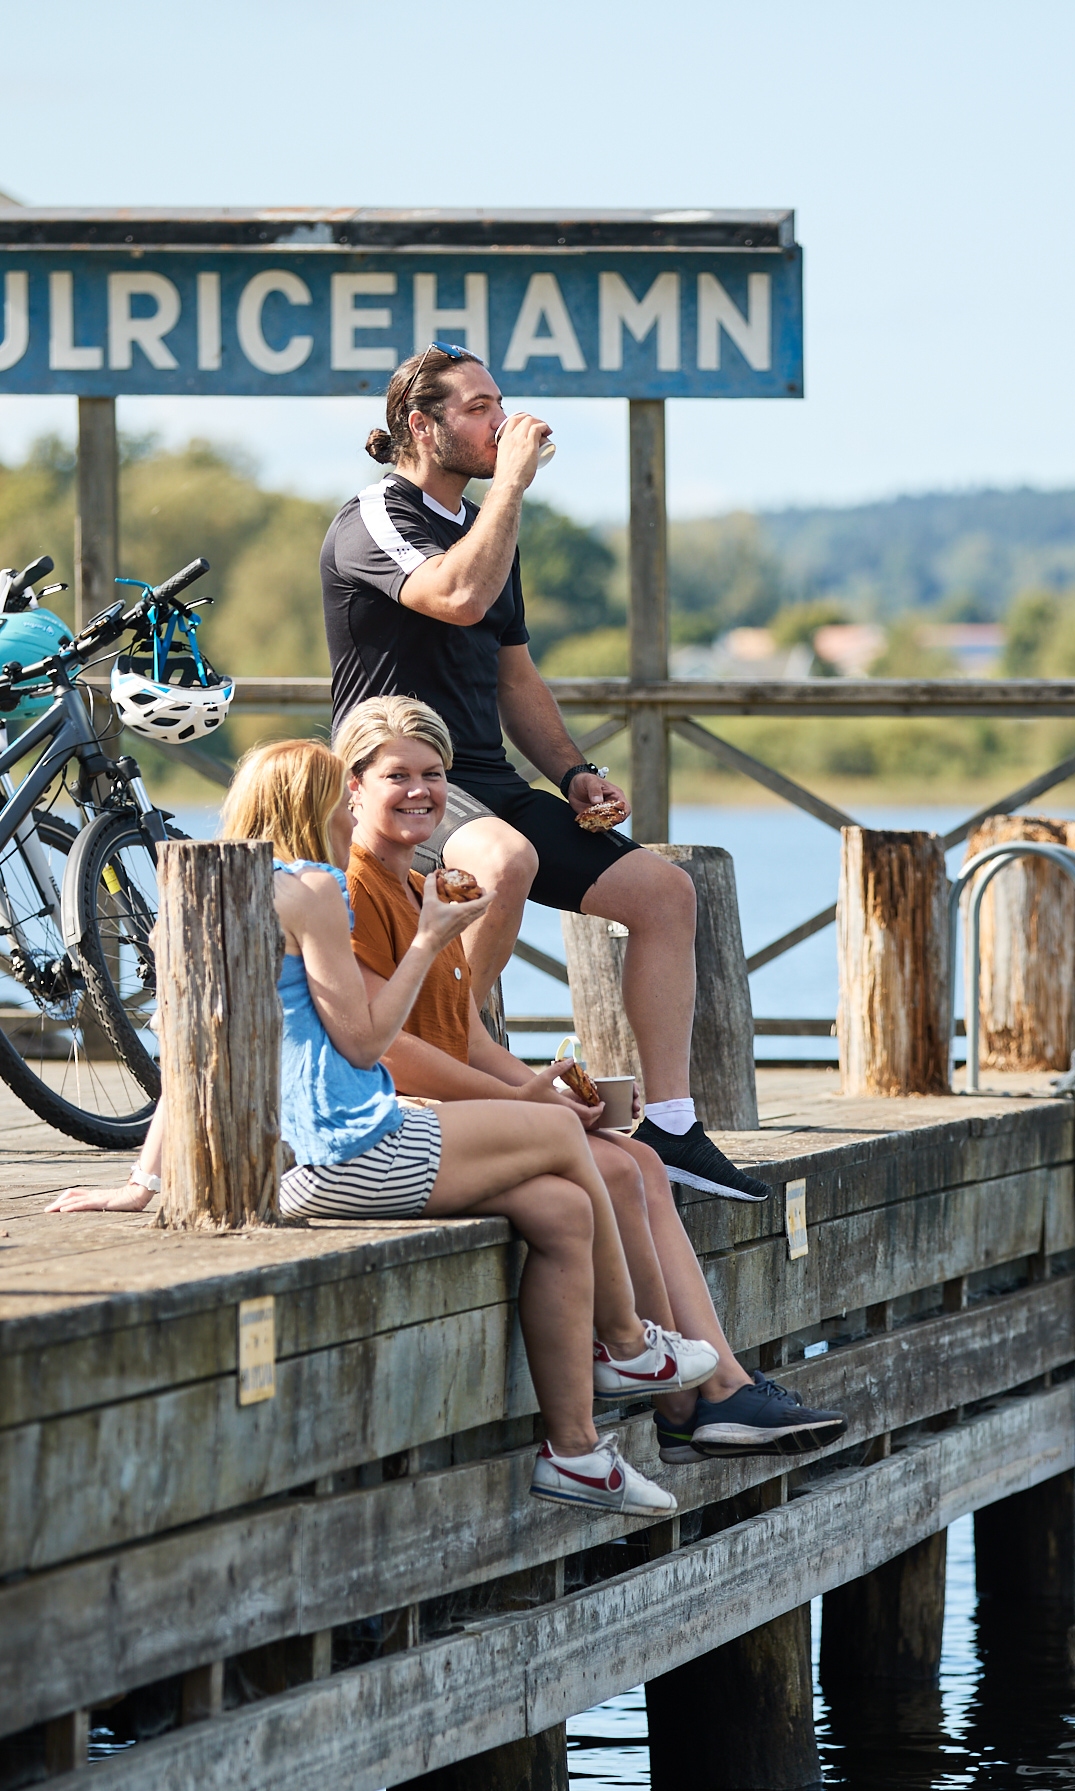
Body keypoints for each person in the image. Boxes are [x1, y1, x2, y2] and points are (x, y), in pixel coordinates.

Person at [46, 739, 713, 1516]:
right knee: (572, 1142)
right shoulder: (314, 890)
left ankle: (577, 1455)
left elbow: (193, 1054)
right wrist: (432, 937)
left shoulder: (204, 896)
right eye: (344, 791)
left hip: (288, 1165)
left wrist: (144, 1182)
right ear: (319, 803)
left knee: (561, 1209)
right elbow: (366, 1042)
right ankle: (630, 1346)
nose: (352, 807)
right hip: (349, 1148)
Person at [331, 696, 847, 1463]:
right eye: (397, 775)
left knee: (637, 1157)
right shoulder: (354, 890)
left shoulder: (421, 886)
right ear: (354, 789)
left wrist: (549, 1085)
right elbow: (392, 1049)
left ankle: (710, 1390)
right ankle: (692, 1397)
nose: (421, 792)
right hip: (400, 1117)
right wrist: (521, 1104)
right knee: (616, 1167)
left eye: (434, 775)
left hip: (461, 1106)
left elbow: (462, 1033)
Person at [320, 340, 771, 1204]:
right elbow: (452, 597)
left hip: (485, 780)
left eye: (501, 403)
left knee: (664, 893)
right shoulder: (374, 516)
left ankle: (673, 1125)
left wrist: (572, 774)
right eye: (481, 407)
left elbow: (514, 672)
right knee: (503, 862)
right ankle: (446, 1059)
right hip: (398, 782)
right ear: (422, 424)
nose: (506, 420)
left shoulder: (489, 530)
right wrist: (515, 487)